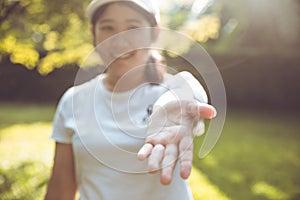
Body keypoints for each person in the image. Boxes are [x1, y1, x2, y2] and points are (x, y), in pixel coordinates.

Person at [45, 0, 216, 199]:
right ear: (93, 33)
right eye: (108, 27)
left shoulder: (169, 93)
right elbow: (59, 189)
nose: (120, 41)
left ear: (154, 33)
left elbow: (187, 88)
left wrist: (180, 96)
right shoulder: (73, 100)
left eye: (133, 27)